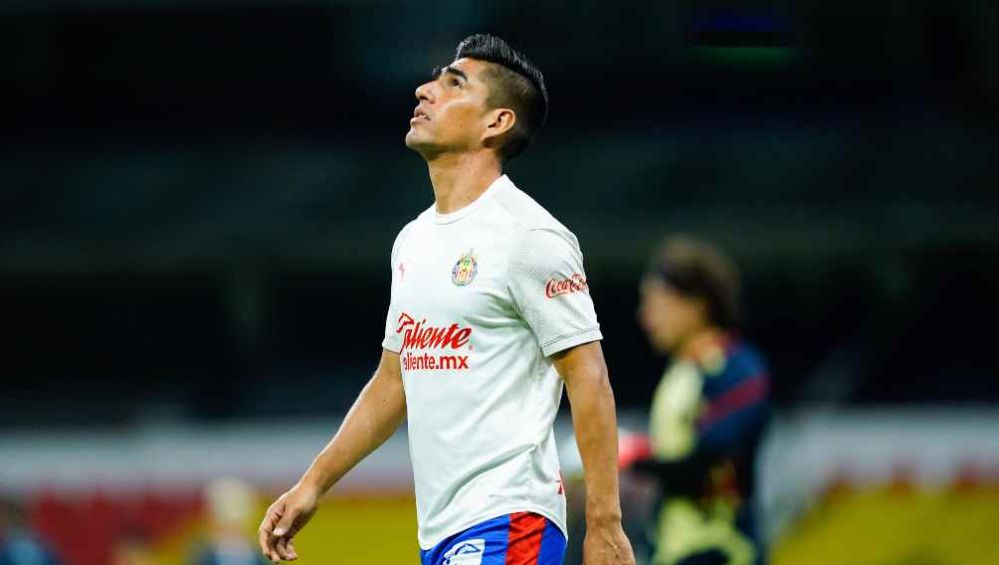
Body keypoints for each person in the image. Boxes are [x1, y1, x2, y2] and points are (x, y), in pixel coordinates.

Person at [258, 34, 635, 565]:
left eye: (454, 83)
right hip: (440, 533)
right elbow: (394, 380)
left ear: (496, 122)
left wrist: (605, 523)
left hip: (510, 519)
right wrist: (313, 483)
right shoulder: (412, 240)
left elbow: (588, 377)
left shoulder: (530, 237)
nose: (424, 90)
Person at [633, 237, 770, 565]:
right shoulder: (679, 373)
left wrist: (633, 458)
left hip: (721, 548)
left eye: (656, 302)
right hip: (672, 552)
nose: (645, 316)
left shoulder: (736, 368)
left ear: (695, 304)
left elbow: (710, 458)